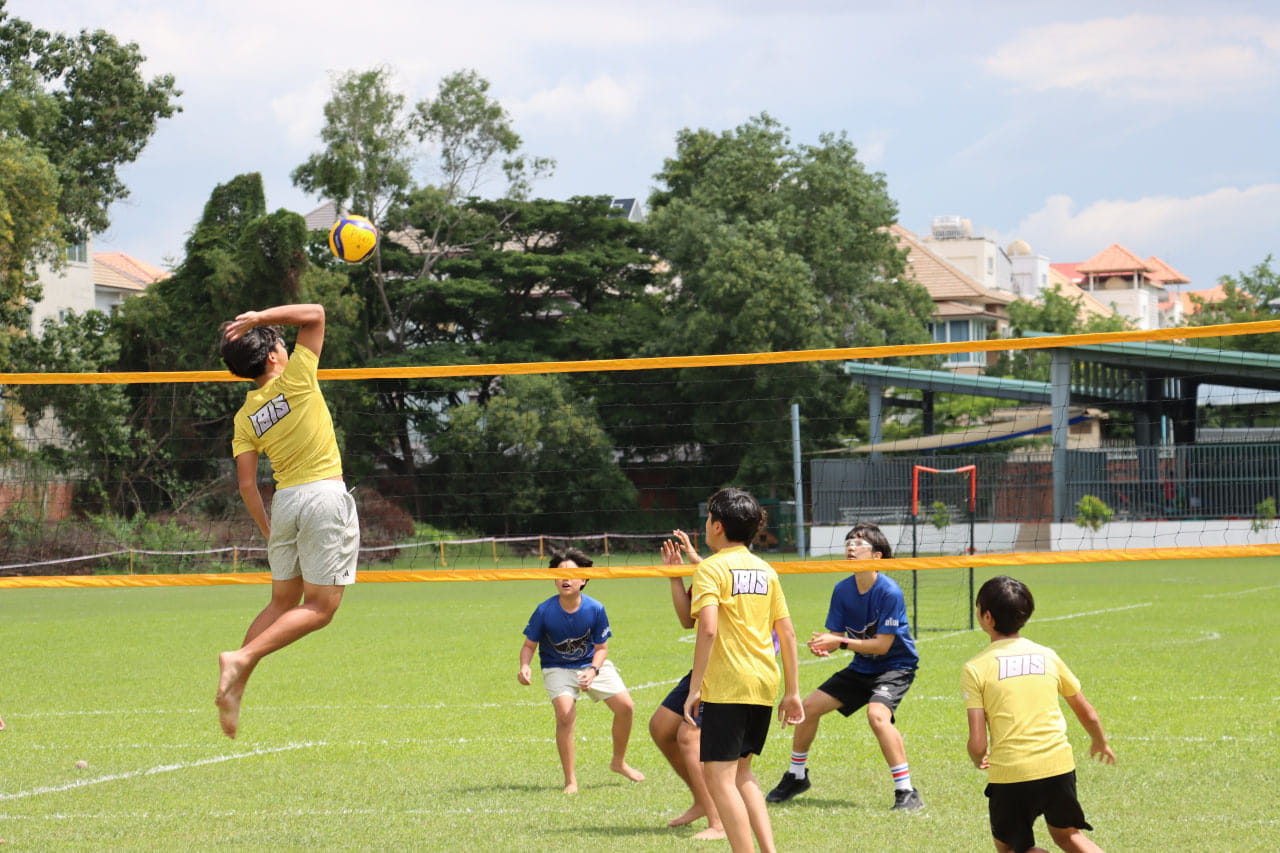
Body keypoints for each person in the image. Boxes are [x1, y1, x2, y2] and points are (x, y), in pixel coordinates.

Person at [214, 303, 359, 739]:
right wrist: (259, 319)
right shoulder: (297, 378)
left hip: (286, 504)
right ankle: (240, 659)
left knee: (281, 603)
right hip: (323, 497)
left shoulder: (245, 416)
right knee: (321, 608)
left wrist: (267, 528)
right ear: (276, 356)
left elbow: (246, 485)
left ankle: (237, 684)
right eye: (281, 343)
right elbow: (316, 313)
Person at [766, 521, 924, 810]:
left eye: (859, 543)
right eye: (848, 542)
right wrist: (824, 645)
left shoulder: (890, 592)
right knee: (807, 708)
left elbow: (882, 646)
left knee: (877, 716)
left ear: (877, 556)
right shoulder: (842, 590)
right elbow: (837, 636)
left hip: (895, 666)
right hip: (862, 666)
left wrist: (838, 643)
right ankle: (796, 776)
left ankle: (906, 791)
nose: (851, 547)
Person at [684, 488, 804, 853]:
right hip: (764, 682)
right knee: (742, 773)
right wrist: (792, 692)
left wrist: (694, 688)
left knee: (719, 778)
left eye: (709, 518)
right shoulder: (766, 570)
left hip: (729, 684)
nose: (707, 524)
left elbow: (707, 629)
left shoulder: (710, 568)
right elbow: (788, 633)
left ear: (717, 526)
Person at [963, 575, 1117, 853]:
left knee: (1012, 849)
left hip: (1011, 773)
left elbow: (977, 744)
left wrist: (977, 758)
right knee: (1068, 836)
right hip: (1058, 766)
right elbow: (1088, 713)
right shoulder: (1047, 655)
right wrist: (1099, 741)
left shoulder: (975, 668)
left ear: (986, 616)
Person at [517, 548, 645, 794]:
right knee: (565, 715)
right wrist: (524, 666)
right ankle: (570, 781)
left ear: (584, 579)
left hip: (591, 663)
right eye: (560, 574)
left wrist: (593, 670)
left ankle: (619, 762)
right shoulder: (544, 611)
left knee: (626, 707)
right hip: (557, 667)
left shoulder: (595, 608)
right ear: (553, 579)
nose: (566, 579)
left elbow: (602, 648)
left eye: (572, 574)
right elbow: (528, 645)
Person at [647, 530, 724, 839]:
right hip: (705, 666)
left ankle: (719, 822)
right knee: (661, 727)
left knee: (689, 736)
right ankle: (702, 800)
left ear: (719, 527)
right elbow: (687, 621)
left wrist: (695, 559)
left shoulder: (726, 566)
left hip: (727, 668)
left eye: (710, 520)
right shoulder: (709, 569)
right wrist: (675, 576)